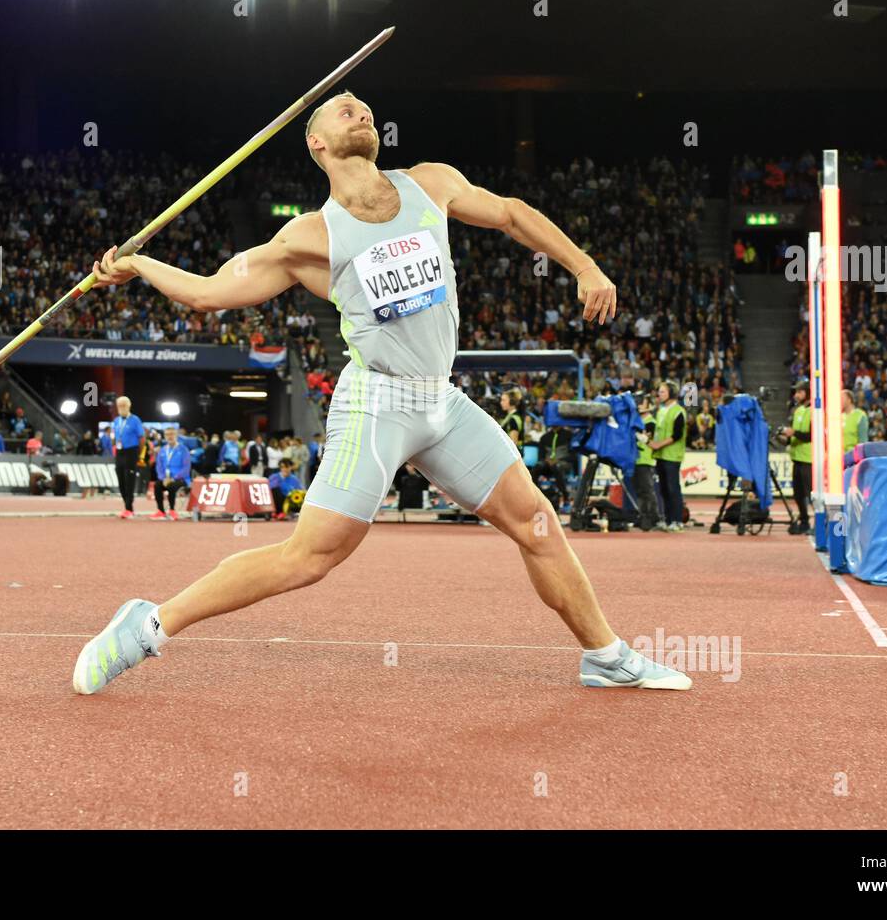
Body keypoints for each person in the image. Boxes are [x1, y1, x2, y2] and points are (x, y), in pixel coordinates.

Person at [73, 89, 689, 694]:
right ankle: (148, 624)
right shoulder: (310, 237)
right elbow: (209, 291)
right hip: (377, 402)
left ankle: (605, 656)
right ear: (317, 142)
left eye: (365, 108)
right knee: (310, 557)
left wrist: (584, 265)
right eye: (345, 110)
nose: (362, 112)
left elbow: (510, 212)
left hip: (439, 400)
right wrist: (139, 266)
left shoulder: (431, 182)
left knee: (534, 522)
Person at [648, 380, 687, 533]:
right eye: (659, 391)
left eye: (663, 391)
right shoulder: (660, 410)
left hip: (672, 455)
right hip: (660, 455)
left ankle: (677, 521)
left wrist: (659, 444)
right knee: (663, 489)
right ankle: (668, 520)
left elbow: (677, 435)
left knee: (673, 488)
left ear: (671, 393)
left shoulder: (678, 411)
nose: (659, 394)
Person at [782, 380, 812, 534]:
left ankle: (821, 522)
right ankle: (805, 521)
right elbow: (795, 433)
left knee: (812, 493)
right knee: (798, 494)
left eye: (799, 392)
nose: (796, 395)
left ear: (807, 393)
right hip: (797, 457)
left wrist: (793, 433)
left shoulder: (816, 411)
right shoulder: (798, 410)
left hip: (809, 459)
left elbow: (812, 436)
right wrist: (785, 438)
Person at [632, 393, 662, 532]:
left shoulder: (651, 423)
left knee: (647, 490)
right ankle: (643, 515)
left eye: (641, 402)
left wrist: (638, 434)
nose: (638, 405)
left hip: (645, 460)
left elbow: (648, 440)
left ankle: (653, 517)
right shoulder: (637, 421)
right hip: (636, 459)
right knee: (639, 490)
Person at [111, 396, 144, 518]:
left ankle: (129, 508)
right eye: (119, 405)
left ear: (129, 406)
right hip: (120, 452)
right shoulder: (116, 421)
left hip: (131, 451)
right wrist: (113, 443)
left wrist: (139, 453)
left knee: (129, 479)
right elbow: (114, 436)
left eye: (124, 405)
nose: (121, 407)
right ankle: (127, 506)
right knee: (120, 479)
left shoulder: (135, 420)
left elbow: (141, 437)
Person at [152, 427, 192, 519]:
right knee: (157, 485)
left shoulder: (183, 449)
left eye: (172, 434)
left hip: (181, 479)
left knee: (172, 485)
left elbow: (186, 468)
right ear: (165, 436)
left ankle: (172, 510)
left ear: (176, 435)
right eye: (167, 434)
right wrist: (163, 478)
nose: (170, 437)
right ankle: (160, 511)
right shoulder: (162, 450)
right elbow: (159, 467)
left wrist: (173, 478)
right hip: (165, 478)